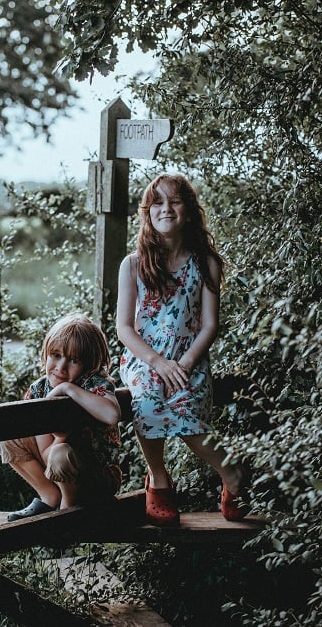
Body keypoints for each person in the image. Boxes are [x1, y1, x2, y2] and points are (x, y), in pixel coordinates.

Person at [116, 173, 249, 526]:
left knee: (188, 414)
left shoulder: (206, 262)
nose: (166, 208)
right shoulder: (133, 264)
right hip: (145, 357)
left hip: (190, 358)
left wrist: (185, 363)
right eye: (157, 202)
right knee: (145, 400)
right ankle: (158, 480)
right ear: (147, 212)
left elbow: (209, 325)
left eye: (174, 201)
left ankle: (231, 475)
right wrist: (158, 362)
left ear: (188, 211)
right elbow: (124, 328)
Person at [0, 313, 122, 521]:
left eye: (74, 360)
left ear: (89, 365)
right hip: (58, 465)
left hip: (98, 476)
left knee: (60, 453)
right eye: (55, 355)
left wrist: (68, 388)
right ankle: (50, 496)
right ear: (46, 353)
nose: (61, 368)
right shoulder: (38, 390)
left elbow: (112, 414)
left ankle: (67, 511)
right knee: (8, 436)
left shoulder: (93, 384)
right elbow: (48, 454)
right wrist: (60, 437)